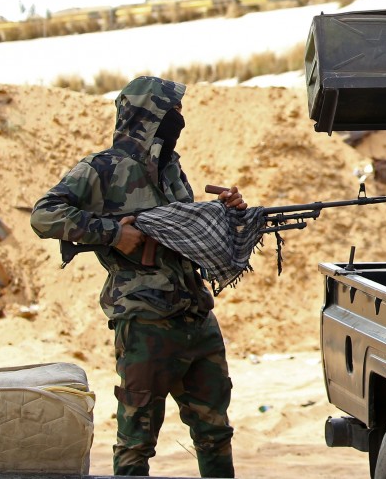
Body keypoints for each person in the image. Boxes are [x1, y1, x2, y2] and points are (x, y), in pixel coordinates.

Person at [31, 75, 247, 477]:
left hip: (195, 314)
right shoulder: (102, 169)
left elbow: (181, 229)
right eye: (172, 111)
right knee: (137, 441)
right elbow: (44, 214)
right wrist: (114, 233)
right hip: (145, 323)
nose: (180, 118)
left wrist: (224, 213)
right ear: (150, 115)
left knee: (215, 431)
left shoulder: (171, 169)